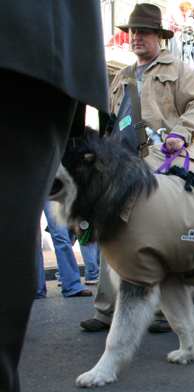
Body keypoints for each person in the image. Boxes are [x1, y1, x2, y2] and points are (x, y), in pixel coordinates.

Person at [80, 3, 194, 334]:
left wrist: (181, 134)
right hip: (124, 164)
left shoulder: (178, 69)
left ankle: (163, 313)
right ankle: (106, 310)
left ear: (158, 36)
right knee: (110, 227)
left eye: (143, 32)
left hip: (163, 160)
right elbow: (111, 122)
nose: (136, 37)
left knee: (159, 236)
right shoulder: (121, 77)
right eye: (133, 31)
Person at [0, 2, 109, 390]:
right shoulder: (128, 74)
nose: (138, 38)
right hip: (37, 47)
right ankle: (103, 300)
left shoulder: (176, 71)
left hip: (27, 49)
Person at [36, 202, 94, 299]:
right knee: (33, 240)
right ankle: (35, 288)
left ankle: (72, 285)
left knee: (62, 236)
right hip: (28, 189)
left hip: (51, 190)